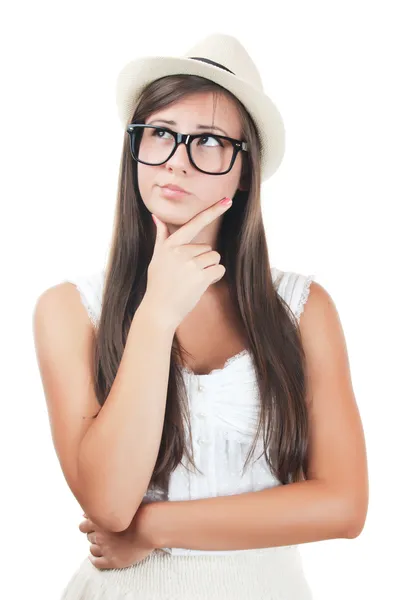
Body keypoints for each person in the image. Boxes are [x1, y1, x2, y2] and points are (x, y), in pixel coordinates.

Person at [33, 32, 368, 600]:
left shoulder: (303, 309)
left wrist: (153, 528)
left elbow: (343, 505)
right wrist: (156, 314)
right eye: (160, 134)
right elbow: (108, 502)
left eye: (209, 141)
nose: (177, 162)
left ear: (245, 170)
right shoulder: (69, 311)